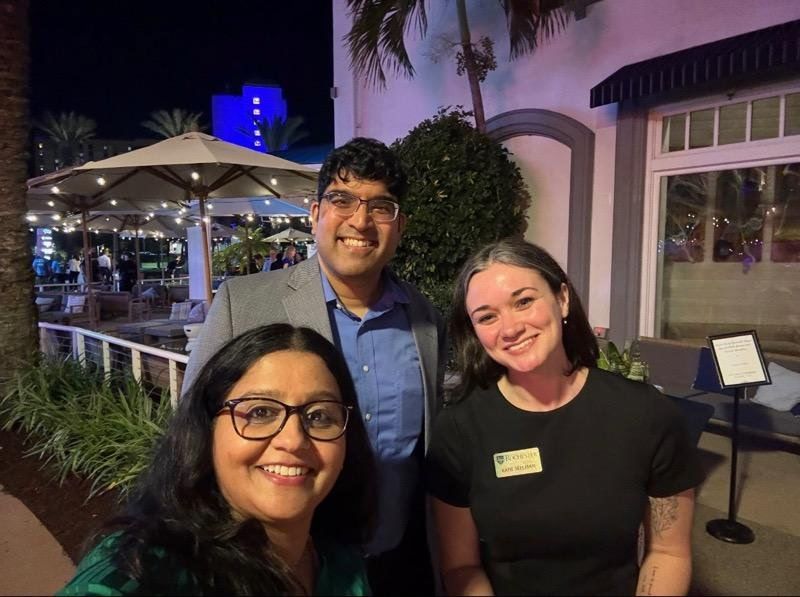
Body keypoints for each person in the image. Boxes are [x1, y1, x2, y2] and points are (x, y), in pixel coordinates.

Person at [184, 137, 447, 596]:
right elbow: (191, 432)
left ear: (399, 225)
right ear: (314, 214)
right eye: (342, 199)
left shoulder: (424, 321)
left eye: (381, 206)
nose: (360, 220)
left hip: (399, 564)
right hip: (278, 567)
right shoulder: (243, 304)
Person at [426, 238, 702, 596]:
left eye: (523, 301)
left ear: (562, 298)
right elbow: (461, 566)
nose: (509, 329)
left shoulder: (646, 414)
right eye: (487, 317)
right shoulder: (458, 429)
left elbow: (668, 552)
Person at [59, 324, 377, 596]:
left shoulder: (338, 559)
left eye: (319, 416)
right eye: (260, 412)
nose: (293, 440)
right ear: (208, 428)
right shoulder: (148, 566)